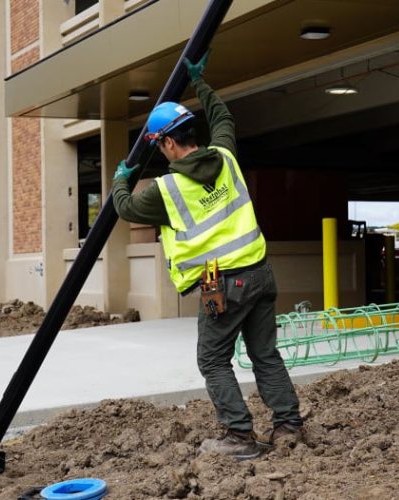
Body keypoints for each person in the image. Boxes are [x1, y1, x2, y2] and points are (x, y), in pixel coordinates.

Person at [112, 53, 304, 460]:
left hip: (225, 285)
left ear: (166, 142)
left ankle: (239, 437)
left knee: (213, 360)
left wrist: (119, 183)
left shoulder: (167, 191)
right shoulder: (226, 157)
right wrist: (202, 85)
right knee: (264, 353)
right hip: (261, 274)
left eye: (159, 146)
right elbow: (225, 121)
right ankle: (288, 426)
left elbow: (126, 209)